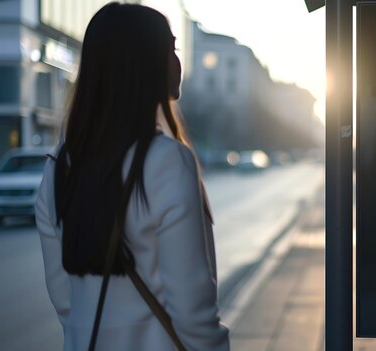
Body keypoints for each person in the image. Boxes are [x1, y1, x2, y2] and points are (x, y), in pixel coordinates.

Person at [34, 3, 230, 350]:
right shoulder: (166, 161)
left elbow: (66, 301)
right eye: (170, 50)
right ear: (142, 65)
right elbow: (193, 315)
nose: (177, 62)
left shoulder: (58, 169)